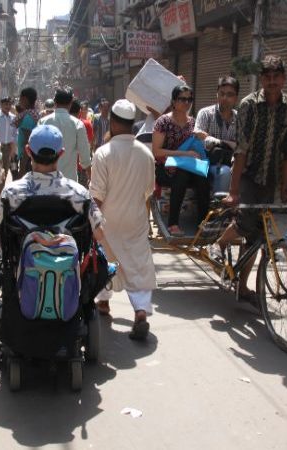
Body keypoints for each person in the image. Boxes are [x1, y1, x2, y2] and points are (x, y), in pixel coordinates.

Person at [210, 55, 287, 300]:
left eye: (276, 77)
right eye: (267, 77)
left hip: (271, 176)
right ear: (261, 79)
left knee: (258, 237)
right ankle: (218, 244)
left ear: (283, 79)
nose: (272, 82)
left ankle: (243, 286)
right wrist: (234, 191)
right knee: (245, 222)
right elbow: (241, 149)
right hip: (248, 173)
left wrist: (285, 188)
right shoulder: (249, 105)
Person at [90, 99, 157, 340]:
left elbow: (96, 194)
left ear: (114, 123)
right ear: (130, 124)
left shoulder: (103, 153)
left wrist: (92, 222)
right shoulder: (145, 153)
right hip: (136, 218)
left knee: (103, 260)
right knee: (137, 262)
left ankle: (103, 303)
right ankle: (140, 312)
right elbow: (149, 190)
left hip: (108, 219)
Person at [0, 124, 105, 247]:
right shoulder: (80, 194)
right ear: (61, 153)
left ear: (28, 151)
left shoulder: (10, 193)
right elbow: (99, 233)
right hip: (67, 263)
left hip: (22, 264)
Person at [152, 85, 210, 236]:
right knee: (182, 173)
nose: (186, 102)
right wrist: (183, 154)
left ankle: (203, 223)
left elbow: (198, 148)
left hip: (189, 166)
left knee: (203, 177)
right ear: (173, 101)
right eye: (182, 99)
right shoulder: (163, 122)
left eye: (189, 99)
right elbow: (156, 151)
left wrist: (202, 139)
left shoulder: (193, 123)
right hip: (165, 167)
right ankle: (172, 224)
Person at [194, 76, 240, 193]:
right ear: (217, 94)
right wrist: (227, 143)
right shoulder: (205, 114)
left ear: (236, 98)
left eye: (230, 95)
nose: (225, 98)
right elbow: (200, 140)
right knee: (224, 172)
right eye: (222, 93)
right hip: (207, 162)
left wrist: (216, 141)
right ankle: (220, 209)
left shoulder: (240, 118)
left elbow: (242, 145)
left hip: (234, 162)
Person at [38, 88, 91, 182]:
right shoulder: (77, 124)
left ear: (55, 102)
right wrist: (90, 176)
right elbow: (85, 156)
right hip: (69, 182)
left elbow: (36, 150)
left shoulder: (43, 122)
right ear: (71, 103)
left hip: (46, 181)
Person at [14, 87, 39, 176]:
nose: (19, 101)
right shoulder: (34, 114)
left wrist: (22, 168)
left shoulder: (27, 118)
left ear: (25, 99)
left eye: (20, 98)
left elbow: (27, 143)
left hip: (27, 159)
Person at [0, 96, 17, 175]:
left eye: (9, 104)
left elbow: (15, 134)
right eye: (6, 104)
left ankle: (2, 187)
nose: (8, 107)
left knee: (4, 172)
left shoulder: (13, 118)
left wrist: (13, 149)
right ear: (1, 105)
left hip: (7, 148)